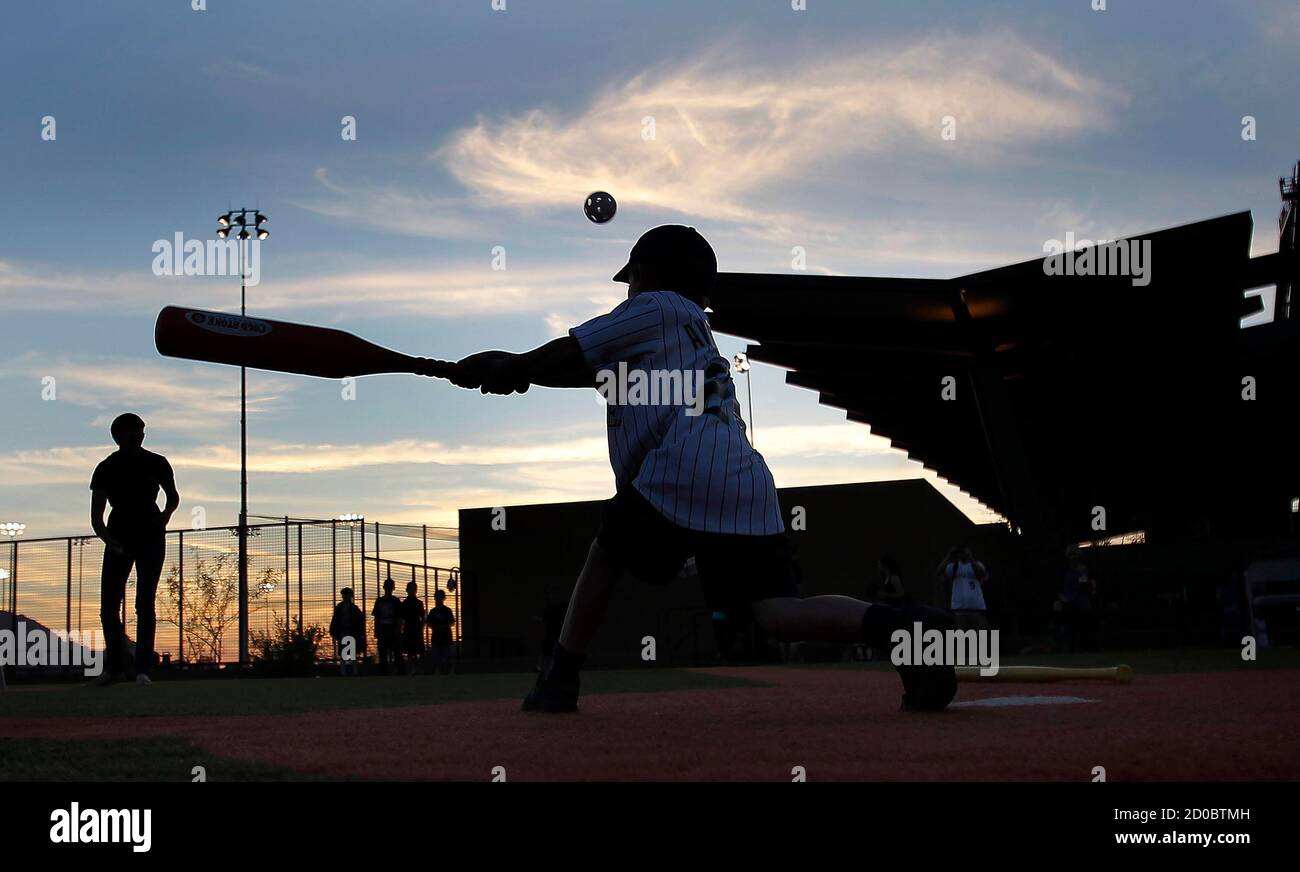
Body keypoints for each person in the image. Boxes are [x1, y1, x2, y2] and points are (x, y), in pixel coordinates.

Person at [446, 224, 956, 713]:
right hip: (743, 479)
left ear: (645, 274)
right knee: (776, 612)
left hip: (684, 468)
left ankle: (559, 680)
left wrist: (514, 369)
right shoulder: (688, 333)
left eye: (632, 280)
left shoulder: (655, 308)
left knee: (605, 557)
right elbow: (590, 372)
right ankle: (904, 627)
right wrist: (516, 371)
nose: (630, 291)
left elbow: (575, 350)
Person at [88, 413, 179, 686]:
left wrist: (164, 517)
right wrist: (108, 540)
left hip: (150, 535)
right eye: (132, 432)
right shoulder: (106, 467)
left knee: (144, 603)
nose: (138, 436)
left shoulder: (157, 462)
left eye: (141, 431)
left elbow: (173, 496)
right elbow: (96, 515)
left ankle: (142, 670)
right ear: (118, 437)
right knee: (108, 607)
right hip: (120, 537)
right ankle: (116, 667)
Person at [937, 545, 990, 631]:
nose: (962, 554)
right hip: (959, 610)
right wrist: (949, 556)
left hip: (977, 609)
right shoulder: (954, 567)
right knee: (961, 639)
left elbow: (982, 573)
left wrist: (970, 558)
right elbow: (939, 572)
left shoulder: (977, 564)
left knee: (979, 639)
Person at [1060, 547, 1097, 652]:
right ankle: (1072, 649)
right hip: (1070, 604)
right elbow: (1060, 587)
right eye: (1071, 555)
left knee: (1084, 628)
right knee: (1071, 628)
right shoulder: (1064, 571)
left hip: (1083, 604)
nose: (1073, 558)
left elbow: (1089, 585)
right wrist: (1063, 599)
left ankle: (1086, 648)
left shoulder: (1084, 569)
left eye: (1075, 555)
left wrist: (1089, 585)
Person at [329, 587, 365, 675]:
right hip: (345, 632)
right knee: (346, 653)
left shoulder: (345, 607)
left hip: (349, 632)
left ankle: (348, 672)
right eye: (344, 595)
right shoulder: (347, 608)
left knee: (348, 653)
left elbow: (359, 621)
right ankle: (349, 672)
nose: (345, 597)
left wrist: (333, 631)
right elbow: (335, 620)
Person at [372, 577, 402, 675]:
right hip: (383, 629)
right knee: (383, 653)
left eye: (390, 587)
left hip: (392, 629)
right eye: (387, 587)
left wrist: (398, 629)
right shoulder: (380, 601)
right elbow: (376, 617)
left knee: (396, 653)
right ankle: (384, 671)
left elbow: (399, 617)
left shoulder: (395, 601)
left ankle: (398, 671)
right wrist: (376, 630)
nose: (388, 589)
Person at [426, 589, 456, 674]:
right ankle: (443, 673)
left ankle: (443, 673)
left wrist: (437, 627)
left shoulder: (443, 611)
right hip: (439, 638)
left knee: (443, 658)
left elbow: (452, 622)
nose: (438, 599)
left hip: (443, 638)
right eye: (437, 597)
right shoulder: (436, 611)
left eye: (439, 597)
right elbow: (452, 622)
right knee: (440, 659)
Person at [399, 581, 426, 674]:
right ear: (407, 590)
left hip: (416, 629)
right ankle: (412, 669)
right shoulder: (405, 604)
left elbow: (423, 617)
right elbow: (401, 618)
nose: (412, 591)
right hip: (409, 629)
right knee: (410, 651)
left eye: (413, 589)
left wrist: (421, 628)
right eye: (411, 589)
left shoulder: (418, 603)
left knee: (418, 650)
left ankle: (419, 669)